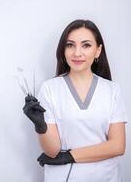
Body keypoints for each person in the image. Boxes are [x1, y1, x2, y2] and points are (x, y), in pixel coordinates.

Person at [23, 19, 128, 182]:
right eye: (70, 45)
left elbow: (118, 146)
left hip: (106, 177)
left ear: (98, 51)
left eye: (86, 45)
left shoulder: (112, 90)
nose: (77, 53)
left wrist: (69, 156)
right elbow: (52, 151)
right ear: (63, 50)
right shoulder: (50, 89)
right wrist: (40, 126)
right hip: (64, 177)